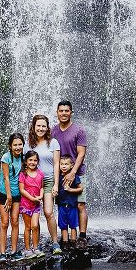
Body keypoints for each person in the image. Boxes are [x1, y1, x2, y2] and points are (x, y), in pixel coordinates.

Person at [24, 114, 62, 257]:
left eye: (43, 126)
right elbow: (24, 163)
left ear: (47, 128)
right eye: (38, 126)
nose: (40, 128)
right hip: (32, 183)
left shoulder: (53, 143)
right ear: (33, 127)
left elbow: (57, 164)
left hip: (48, 181)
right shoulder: (27, 144)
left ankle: (55, 242)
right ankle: (36, 244)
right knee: (35, 214)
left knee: (48, 212)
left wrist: (56, 185)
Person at [52, 100, 88, 242]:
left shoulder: (79, 130)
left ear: (71, 113)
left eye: (67, 111)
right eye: (61, 111)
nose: (64, 113)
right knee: (63, 205)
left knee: (80, 204)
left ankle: (83, 235)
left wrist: (73, 172)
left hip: (78, 173)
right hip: (59, 175)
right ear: (57, 113)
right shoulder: (53, 131)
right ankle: (65, 236)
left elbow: (81, 153)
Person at [0, 132, 24, 263]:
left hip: (17, 193)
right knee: (4, 222)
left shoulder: (24, 157)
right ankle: (2, 253)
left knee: (15, 221)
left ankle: (13, 251)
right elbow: (6, 177)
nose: (18, 147)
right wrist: (8, 196)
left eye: (20, 144)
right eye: (15, 145)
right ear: (10, 146)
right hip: (4, 193)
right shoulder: (6, 157)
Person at [18, 149, 45, 258]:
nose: (32, 162)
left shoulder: (40, 174)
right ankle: (28, 249)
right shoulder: (22, 174)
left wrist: (41, 196)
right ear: (26, 161)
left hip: (36, 205)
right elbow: (22, 190)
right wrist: (31, 198)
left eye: (35, 160)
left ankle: (36, 248)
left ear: (38, 162)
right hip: (25, 204)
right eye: (30, 160)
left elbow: (42, 187)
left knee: (35, 225)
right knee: (28, 227)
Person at [54, 155, 82, 246]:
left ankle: (73, 242)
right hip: (61, 206)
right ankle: (65, 243)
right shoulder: (57, 177)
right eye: (62, 164)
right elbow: (55, 189)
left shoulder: (74, 177)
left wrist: (70, 190)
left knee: (73, 226)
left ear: (72, 165)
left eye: (66, 164)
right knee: (63, 226)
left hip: (72, 205)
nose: (64, 166)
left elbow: (80, 189)